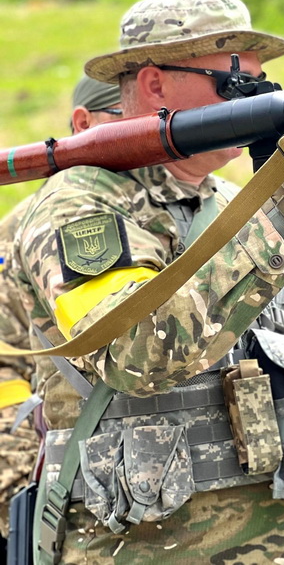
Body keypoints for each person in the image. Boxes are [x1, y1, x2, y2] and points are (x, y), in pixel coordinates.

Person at [11, 0, 284, 564]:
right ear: (154, 85)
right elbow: (135, 352)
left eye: (262, 83)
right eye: (234, 84)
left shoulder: (241, 202)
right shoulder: (81, 204)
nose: (258, 101)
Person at [0, 75, 123, 555]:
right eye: (124, 118)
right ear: (83, 124)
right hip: (61, 484)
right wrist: (20, 493)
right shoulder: (22, 230)